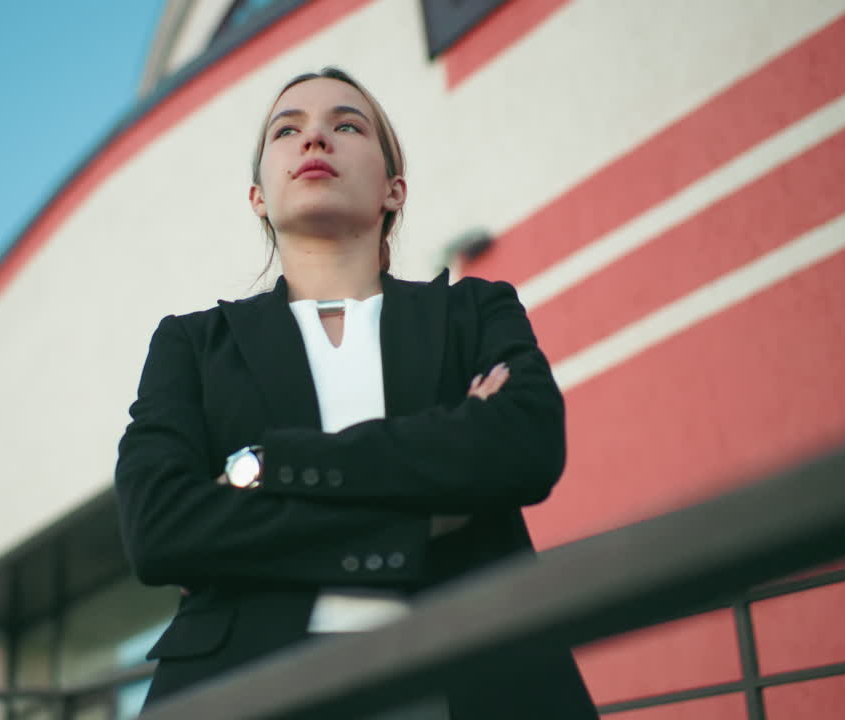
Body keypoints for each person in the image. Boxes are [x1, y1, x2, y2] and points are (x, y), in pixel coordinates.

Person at [114, 67, 598, 718]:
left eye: (346, 125)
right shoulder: (192, 345)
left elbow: (523, 447)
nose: (314, 139)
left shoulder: (473, 313)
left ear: (393, 190)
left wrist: (268, 465)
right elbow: (160, 527)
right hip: (243, 694)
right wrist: (425, 509)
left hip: (472, 682)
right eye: (288, 130)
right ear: (258, 196)